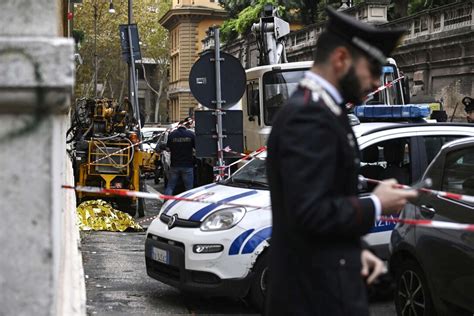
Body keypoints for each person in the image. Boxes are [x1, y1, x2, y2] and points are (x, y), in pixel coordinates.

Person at [265, 8, 418, 316]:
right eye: (373, 69)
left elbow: (325, 209)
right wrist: (376, 205)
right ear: (340, 59)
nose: (377, 82)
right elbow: (309, 213)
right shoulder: (307, 116)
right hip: (312, 300)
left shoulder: (327, 111)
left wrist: (356, 253)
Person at [163, 119, 195, 195]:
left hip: (175, 165)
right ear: (186, 126)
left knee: (170, 186)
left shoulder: (172, 135)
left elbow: (168, 148)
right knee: (189, 188)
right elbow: (196, 147)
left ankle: (166, 201)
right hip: (187, 165)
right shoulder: (190, 134)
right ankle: (189, 204)